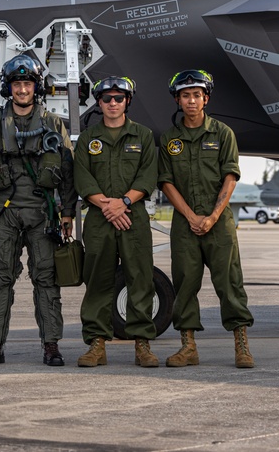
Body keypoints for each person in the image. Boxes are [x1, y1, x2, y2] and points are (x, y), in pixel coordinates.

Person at [0, 55, 77, 367]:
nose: (22, 89)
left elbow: (68, 172)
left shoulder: (53, 124)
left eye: (27, 83)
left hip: (43, 214)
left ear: (36, 87)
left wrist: (67, 211)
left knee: (46, 280)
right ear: (9, 88)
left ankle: (51, 345)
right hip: (3, 213)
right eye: (17, 84)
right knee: (0, 279)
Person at [157, 69, 255, 369]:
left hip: (219, 222)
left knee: (229, 283)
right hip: (185, 224)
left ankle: (241, 345)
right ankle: (188, 347)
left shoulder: (223, 134)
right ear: (177, 100)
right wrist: (190, 216)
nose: (191, 100)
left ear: (206, 98)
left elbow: (230, 177)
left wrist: (212, 217)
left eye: (196, 95)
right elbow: (166, 182)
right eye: (185, 95)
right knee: (185, 283)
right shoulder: (170, 139)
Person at [73, 76, 159, 368]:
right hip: (99, 219)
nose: (112, 103)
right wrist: (107, 206)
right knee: (97, 281)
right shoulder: (88, 139)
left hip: (132, 216)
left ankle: (142, 344)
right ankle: (97, 344)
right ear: (98, 102)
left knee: (140, 279)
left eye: (118, 98)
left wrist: (121, 204)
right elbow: (82, 177)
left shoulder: (143, 136)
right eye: (107, 98)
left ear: (127, 102)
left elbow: (148, 176)